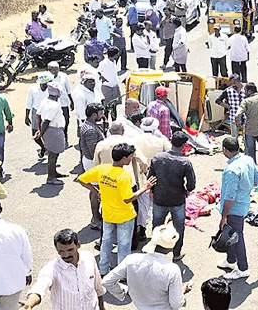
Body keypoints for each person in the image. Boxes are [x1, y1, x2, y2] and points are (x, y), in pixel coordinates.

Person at [78, 143, 157, 275]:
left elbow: (81, 179)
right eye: (131, 157)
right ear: (124, 159)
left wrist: (96, 190)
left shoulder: (102, 169)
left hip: (108, 214)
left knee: (106, 242)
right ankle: (122, 274)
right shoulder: (124, 176)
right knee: (124, 246)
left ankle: (103, 269)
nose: (132, 159)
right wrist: (144, 188)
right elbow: (128, 199)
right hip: (125, 217)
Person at [217, 137, 258, 280]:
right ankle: (230, 261)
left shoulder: (231, 170)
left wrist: (223, 217)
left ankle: (243, 268)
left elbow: (229, 196)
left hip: (233, 209)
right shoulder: (247, 160)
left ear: (225, 150)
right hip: (243, 204)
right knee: (230, 234)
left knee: (236, 236)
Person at [102, 223, 189, 309]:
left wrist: (127, 291)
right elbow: (176, 304)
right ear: (171, 248)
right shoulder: (172, 270)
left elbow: (107, 281)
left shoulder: (132, 260)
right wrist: (182, 291)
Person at [20, 229, 105, 310]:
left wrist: (102, 308)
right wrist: (29, 304)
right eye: (61, 251)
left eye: (70, 250)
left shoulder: (89, 258)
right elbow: (40, 287)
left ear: (78, 245)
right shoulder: (52, 268)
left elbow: (98, 288)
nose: (66, 255)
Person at [150, 131, 196, 261]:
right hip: (177, 200)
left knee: (157, 226)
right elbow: (191, 185)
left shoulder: (157, 158)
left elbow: (151, 178)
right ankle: (176, 253)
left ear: (171, 141)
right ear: (184, 145)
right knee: (178, 228)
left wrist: (153, 192)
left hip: (159, 198)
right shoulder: (185, 162)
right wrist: (186, 190)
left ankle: (155, 252)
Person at [35, 82, 68, 185]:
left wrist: (39, 129)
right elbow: (46, 121)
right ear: (58, 94)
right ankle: (51, 178)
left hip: (49, 130)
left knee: (55, 153)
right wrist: (41, 132)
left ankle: (54, 172)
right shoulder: (55, 105)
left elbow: (37, 115)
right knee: (52, 155)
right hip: (53, 131)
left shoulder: (45, 101)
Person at [47, 62, 74, 147]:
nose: (55, 70)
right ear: (49, 69)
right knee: (54, 122)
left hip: (63, 103)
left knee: (66, 121)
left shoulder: (64, 76)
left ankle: (65, 138)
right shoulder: (47, 77)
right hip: (52, 105)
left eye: (57, 68)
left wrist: (71, 101)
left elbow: (68, 88)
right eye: (53, 69)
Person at [25, 73, 51, 158]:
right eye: (43, 84)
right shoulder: (33, 90)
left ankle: (50, 150)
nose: (44, 85)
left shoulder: (51, 89)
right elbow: (28, 103)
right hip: (36, 113)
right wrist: (27, 116)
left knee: (47, 132)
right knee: (35, 133)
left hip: (47, 112)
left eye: (46, 83)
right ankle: (43, 147)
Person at [98, 47, 121, 120]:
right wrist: (103, 78)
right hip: (107, 88)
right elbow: (97, 72)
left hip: (115, 87)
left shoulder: (114, 61)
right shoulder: (103, 63)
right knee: (106, 108)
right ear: (115, 54)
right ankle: (105, 124)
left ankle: (114, 122)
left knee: (114, 106)